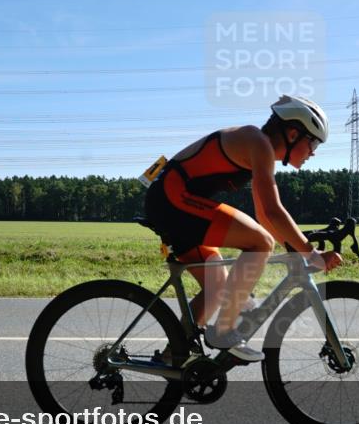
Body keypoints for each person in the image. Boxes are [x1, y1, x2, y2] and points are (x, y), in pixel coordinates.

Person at [144, 95, 343, 362]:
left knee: (219, 286)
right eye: (314, 142)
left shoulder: (257, 147)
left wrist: (294, 245)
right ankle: (223, 330)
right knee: (260, 242)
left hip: (168, 202)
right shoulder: (258, 143)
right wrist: (310, 253)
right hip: (172, 200)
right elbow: (272, 213)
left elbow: (264, 216)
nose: (314, 152)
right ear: (294, 133)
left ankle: (174, 358)